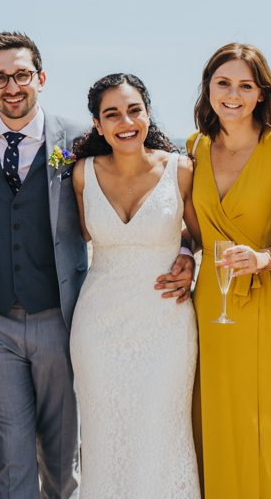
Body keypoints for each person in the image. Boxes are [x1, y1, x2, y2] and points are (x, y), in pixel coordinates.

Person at [0, 32, 89, 499]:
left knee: (60, 453)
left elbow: (134, 185)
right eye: (0, 78)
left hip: (59, 318)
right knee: (10, 453)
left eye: (21, 75)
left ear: (41, 78)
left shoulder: (79, 139)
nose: (12, 86)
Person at [185, 43, 271, 499]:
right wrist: (182, 254)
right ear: (208, 88)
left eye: (244, 85)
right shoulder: (194, 146)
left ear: (261, 93)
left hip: (264, 304)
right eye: (223, 83)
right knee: (214, 417)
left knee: (267, 423)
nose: (232, 94)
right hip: (208, 305)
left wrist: (264, 259)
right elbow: (192, 232)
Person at [68, 73, 198, 499]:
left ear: (147, 113)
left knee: (163, 430)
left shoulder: (180, 170)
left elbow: (200, 235)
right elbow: (73, 238)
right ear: (98, 124)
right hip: (98, 324)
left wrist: (188, 259)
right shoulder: (82, 174)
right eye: (112, 114)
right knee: (105, 438)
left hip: (166, 319)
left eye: (134, 110)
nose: (126, 121)